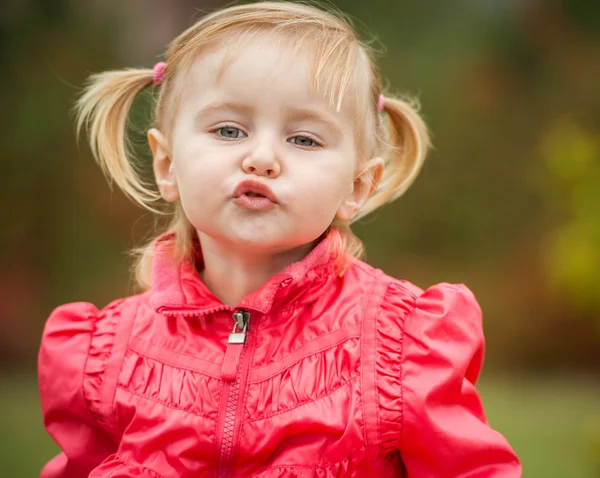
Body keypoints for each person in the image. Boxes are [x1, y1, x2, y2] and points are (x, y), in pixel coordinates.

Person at [38, 2, 521, 477]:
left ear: (356, 187)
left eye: (304, 139)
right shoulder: (106, 357)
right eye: (229, 130)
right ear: (166, 165)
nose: (262, 157)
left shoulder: (399, 349)